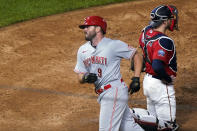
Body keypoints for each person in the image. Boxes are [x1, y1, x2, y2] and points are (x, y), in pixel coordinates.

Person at [74, 16, 144, 131]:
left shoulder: (113, 45)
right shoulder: (82, 50)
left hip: (114, 91)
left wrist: (136, 78)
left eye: (87, 27)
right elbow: (80, 76)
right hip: (103, 94)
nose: (84, 29)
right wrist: (85, 77)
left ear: (98, 29)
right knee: (128, 127)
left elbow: (136, 55)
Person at [130, 5, 179, 131]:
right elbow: (157, 66)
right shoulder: (165, 41)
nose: (172, 20)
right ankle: (131, 115)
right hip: (160, 85)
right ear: (164, 21)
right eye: (170, 18)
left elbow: (138, 54)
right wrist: (167, 79)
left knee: (153, 121)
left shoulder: (145, 31)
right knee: (168, 126)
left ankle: (135, 115)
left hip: (148, 82)